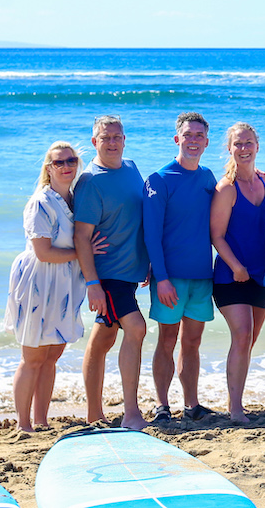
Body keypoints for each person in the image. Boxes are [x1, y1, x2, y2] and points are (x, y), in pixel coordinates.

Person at [6, 141, 104, 432]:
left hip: (64, 285)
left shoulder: (76, 199)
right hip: (38, 282)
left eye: (71, 160)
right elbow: (43, 252)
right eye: (58, 162)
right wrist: (83, 252)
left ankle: (41, 421)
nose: (66, 166)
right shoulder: (41, 202)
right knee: (33, 356)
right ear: (48, 168)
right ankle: (23, 424)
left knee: (52, 356)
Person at [74, 116, 150, 430]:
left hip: (129, 273)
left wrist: (146, 261)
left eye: (117, 136)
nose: (112, 142)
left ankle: (94, 413)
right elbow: (81, 236)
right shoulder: (90, 181)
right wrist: (92, 283)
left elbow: (138, 217)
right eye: (105, 137)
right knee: (136, 329)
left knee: (103, 338)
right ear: (95, 142)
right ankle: (131, 413)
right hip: (107, 276)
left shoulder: (131, 168)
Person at [144, 112, 217, 423]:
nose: (193, 141)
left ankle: (192, 404)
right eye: (188, 135)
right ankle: (162, 405)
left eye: (199, 136)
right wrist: (160, 278)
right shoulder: (159, 180)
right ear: (177, 139)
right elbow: (150, 234)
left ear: (207, 142)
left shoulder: (209, 178)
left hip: (203, 276)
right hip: (170, 279)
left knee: (193, 342)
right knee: (167, 339)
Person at [210, 122, 265, 422]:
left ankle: (239, 399)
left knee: (249, 341)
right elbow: (216, 235)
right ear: (230, 148)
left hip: (263, 274)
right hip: (230, 276)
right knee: (242, 333)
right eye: (238, 144)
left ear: (258, 146)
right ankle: (234, 408)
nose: (244, 149)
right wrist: (236, 266)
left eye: (249, 143)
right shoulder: (226, 188)